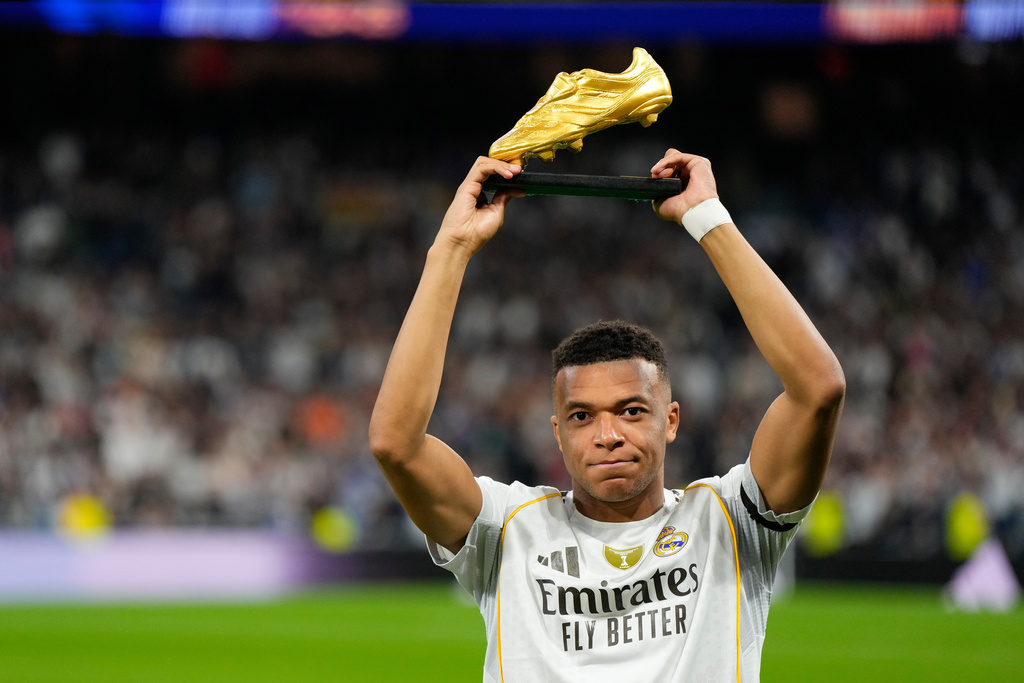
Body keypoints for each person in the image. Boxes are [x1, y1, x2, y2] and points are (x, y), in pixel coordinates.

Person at [368, 150, 846, 682]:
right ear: (557, 433)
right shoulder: (507, 530)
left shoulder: (731, 523)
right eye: (581, 417)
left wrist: (708, 217)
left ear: (671, 420)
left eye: (631, 411)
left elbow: (818, 391)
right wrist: (452, 248)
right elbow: (396, 444)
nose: (608, 435)